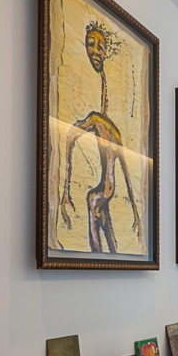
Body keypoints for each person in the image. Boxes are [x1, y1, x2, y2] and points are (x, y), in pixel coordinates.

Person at [57, 21, 143, 253]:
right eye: (90, 44)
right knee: (100, 248)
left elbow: (126, 171)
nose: (94, 51)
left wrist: (136, 212)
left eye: (99, 46)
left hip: (104, 196)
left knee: (111, 249)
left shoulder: (113, 130)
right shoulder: (95, 120)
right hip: (98, 196)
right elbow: (70, 135)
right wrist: (65, 189)